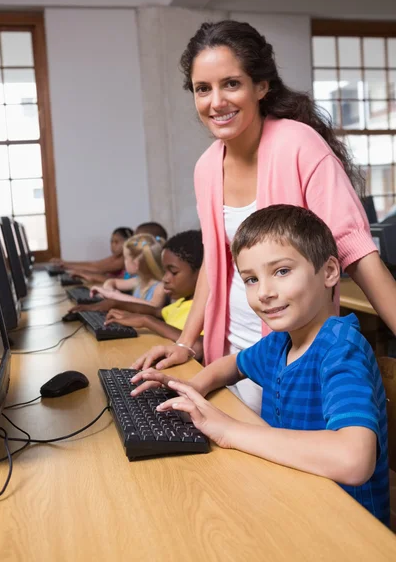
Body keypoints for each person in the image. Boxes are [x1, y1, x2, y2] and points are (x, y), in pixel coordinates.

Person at [134, 20, 396, 406]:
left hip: (293, 358)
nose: (216, 101)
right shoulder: (206, 167)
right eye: (203, 89)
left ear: (261, 86)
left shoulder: (298, 144)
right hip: (231, 356)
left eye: (231, 84)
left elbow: (357, 251)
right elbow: (214, 262)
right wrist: (188, 344)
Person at [130, 205, 390, 526]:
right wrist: (192, 390)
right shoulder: (279, 342)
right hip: (290, 498)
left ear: (329, 271)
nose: (264, 292)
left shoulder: (339, 348)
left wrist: (230, 430)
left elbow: (354, 460)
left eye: (281, 271)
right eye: (251, 279)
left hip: (343, 524)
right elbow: (231, 365)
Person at [103, 230, 204, 355]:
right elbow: (155, 311)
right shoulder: (182, 303)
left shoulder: (205, 310)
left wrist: (146, 321)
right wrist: (113, 303)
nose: (165, 279)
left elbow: (199, 345)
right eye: (165, 271)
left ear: (201, 273)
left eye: (173, 272)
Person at [89, 234, 167, 308]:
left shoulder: (160, 287)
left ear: (136, 265)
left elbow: (152, 307)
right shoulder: (139, 280)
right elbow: (112, 282)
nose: (124, 262)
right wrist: (109, 289)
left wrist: (113, 295)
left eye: (126, 258)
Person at [50, 227, 133, 283]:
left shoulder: (123, 259)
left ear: (128, 243)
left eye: (116, 242)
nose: (113, 245)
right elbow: (95, 264)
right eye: (111, 242)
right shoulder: (116, 257)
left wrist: (87, 274)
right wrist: (65, 264)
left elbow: (97, 269)